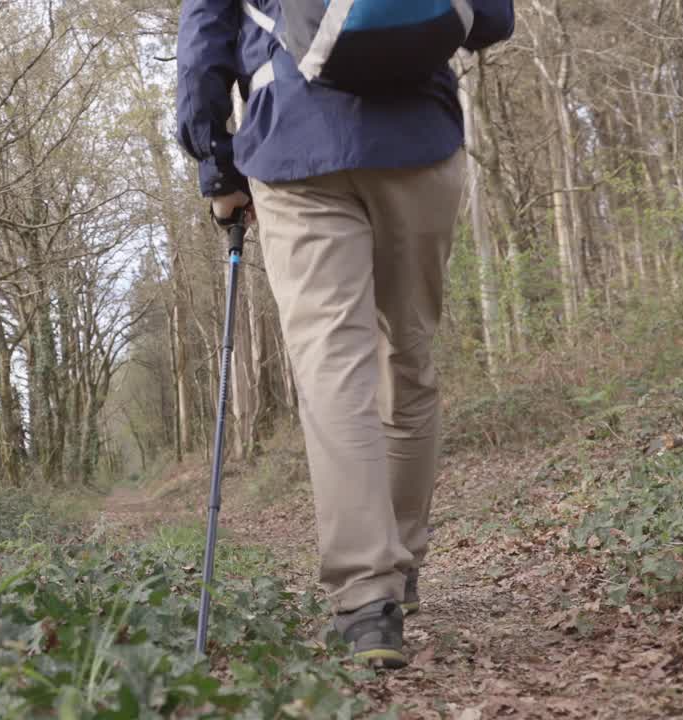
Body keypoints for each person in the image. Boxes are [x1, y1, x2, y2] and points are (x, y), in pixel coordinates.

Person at [175, 0, 515, 668]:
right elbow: (494, 18)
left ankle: (367, 601)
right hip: (420, 140)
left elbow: (203, 40)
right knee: (409, 357)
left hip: (295, 144)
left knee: (333, 371)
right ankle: (403, 565)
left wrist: (217, 166)